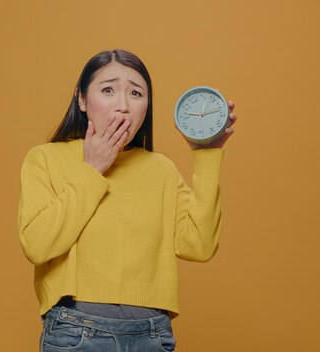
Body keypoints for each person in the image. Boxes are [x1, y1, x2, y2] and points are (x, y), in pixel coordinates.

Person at [18, 49, 237, 351]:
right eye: (108, 90)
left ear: (146, 107)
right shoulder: (45, 159)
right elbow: (37, 244)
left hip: (152, 335)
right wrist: (93, 169)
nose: (122, 106)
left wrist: (207, 152)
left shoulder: (161, 169)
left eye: (136, 93)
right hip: (75, 331)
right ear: (82, 99)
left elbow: (200, 245)